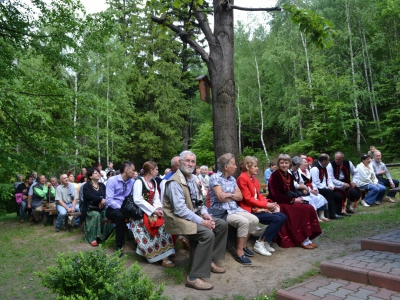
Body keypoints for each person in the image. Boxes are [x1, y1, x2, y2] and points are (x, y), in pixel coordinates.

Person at [164, 150, 227, 290]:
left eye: (193, 161)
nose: (190, 164)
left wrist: (206, 214)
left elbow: (199, 202)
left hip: (192, 217)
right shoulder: (174, 182)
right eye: (187, 161)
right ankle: (193, 277)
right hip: (177, 220)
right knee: (207, 233)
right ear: (180, 162)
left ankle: (208, 260)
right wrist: (202, 221)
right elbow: (180, 210)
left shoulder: (193, 179)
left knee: (221, 224)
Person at [209, 153, 259, 265]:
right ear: (226, 167)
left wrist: (229, 195)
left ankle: (243, 245)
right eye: (233, 164)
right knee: (244, 222)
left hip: (234, 209)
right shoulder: (215, 177)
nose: (236, 167)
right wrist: (232, 195)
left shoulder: (232, 179)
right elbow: (220, 197)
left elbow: (240, 197)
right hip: (221, 211)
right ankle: (239, 252)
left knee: (254, 220)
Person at [268, 154, 322, 249]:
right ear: (278, 164)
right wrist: (293, 200)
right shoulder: (274, 175)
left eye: (286, 162)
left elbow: (292, 191)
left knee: (308, 207)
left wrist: (297, 198)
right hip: (278, 202)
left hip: (289, 200)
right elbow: (275, 195)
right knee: (300, 210)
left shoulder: (289, 175)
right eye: (281, 163)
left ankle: (306, 237)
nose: (284, 165)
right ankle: (301, 239)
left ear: (289, 164)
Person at [237, 156, 286, 256]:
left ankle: (266, 241)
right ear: (247, 166)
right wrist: (266, 205)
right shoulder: (242, 178)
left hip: (256, 208)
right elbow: (248, 199)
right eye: (255, 166)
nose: (257, 168)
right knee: (277, 219)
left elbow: (258, 195)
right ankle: (260, 243)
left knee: (282, 216)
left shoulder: (253, 179)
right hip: (249, 210)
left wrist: (269, 203)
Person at [131, 162, 175, 266]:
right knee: (161, 226)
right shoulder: (139, 182)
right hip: (140, 213)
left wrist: (158, 209)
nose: (157, 171)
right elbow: (138, 200)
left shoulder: (153, 182)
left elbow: (156, 198)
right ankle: (163, 256)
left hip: (151, 212)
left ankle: (165, 251)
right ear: (151, 170)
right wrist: (153, 211)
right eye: (156, 169)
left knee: (166, 222)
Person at [106, 161, 135, 255]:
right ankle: (119, 245)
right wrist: (122, 208)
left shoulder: (132, 181)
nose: (134, 173)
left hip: (126, 207)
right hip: (112, 208)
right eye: (133, 170)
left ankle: (138, 242)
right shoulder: (112, 180)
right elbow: (109, 200)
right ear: (127, 170)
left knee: (139, 214)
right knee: (121, 215)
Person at [291, 156, 329, 222]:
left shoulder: (301, 172)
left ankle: (321, 216)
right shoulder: (291, 172)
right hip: (295, 191)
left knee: (320, 197)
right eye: (304, 162)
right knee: (310, 200)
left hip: (304, 189)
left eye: (306, 162)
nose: (306, 164)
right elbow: (294, 184)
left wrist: (310, 189)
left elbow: (302, 182)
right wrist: (306, 188)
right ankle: (315, 217)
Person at [82, 168, 113, 246]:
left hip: (102, 207)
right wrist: (100, 199)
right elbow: (89, 196)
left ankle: (105, 235)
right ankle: (93, 238)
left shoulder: (102, 185)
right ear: (90, 176)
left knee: (108, 213)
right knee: (96, 215)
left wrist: (104, 201)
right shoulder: (86, 186)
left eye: (98, 173)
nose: (98, 174)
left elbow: (107, 195)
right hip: (90, 208)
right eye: (95, 173)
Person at [310, 154, 343, 220]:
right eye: (328, 160)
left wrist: (330, 185)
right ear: (324, 161)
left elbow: (328, 179)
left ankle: (339, 211)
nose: (329, 162)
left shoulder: (324, 167)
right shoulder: (315, 168)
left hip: (324, 187)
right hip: (316, 187)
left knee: (339, 193)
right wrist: (327, 187)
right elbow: (316, 182)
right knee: (329, 192)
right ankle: (332, 214)